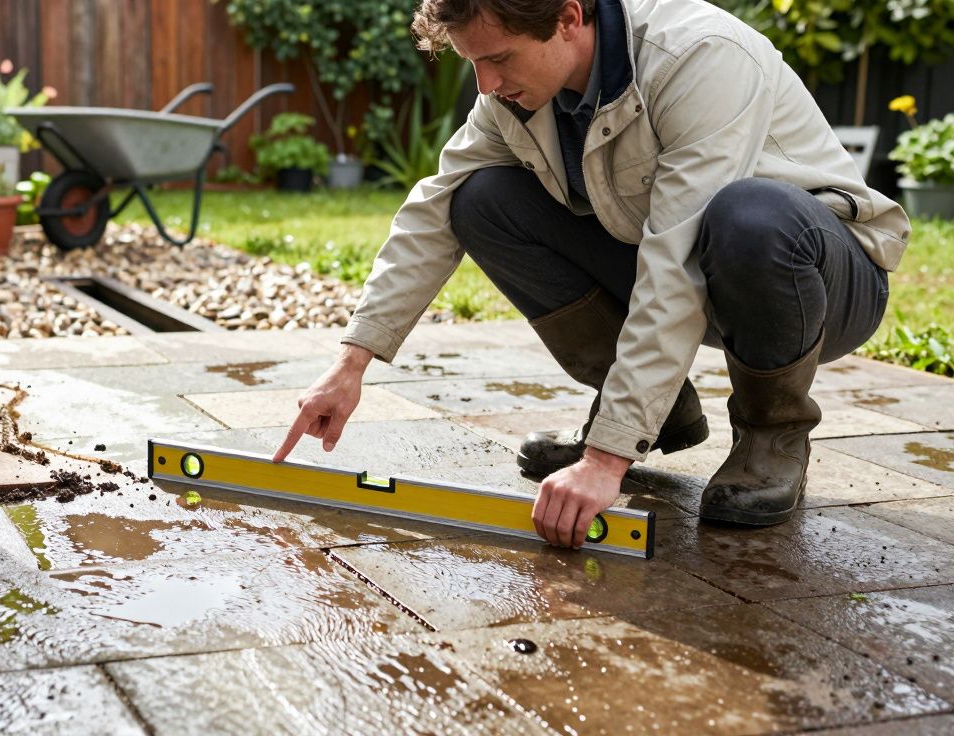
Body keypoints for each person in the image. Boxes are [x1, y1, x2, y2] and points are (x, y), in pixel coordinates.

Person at [272, 0, 907, 548]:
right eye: (474, 64)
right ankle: (653, 415)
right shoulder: (514, 96)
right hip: (693, 263)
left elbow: (675, 260)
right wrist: (350, 363)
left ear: (569, 18)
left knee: (750, 212)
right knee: (479, 200)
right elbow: (434, 208)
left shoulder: (699, 56)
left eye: (498, 59)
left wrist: (605, 461)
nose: (487, 84)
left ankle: (773, 436)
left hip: (820, 280)